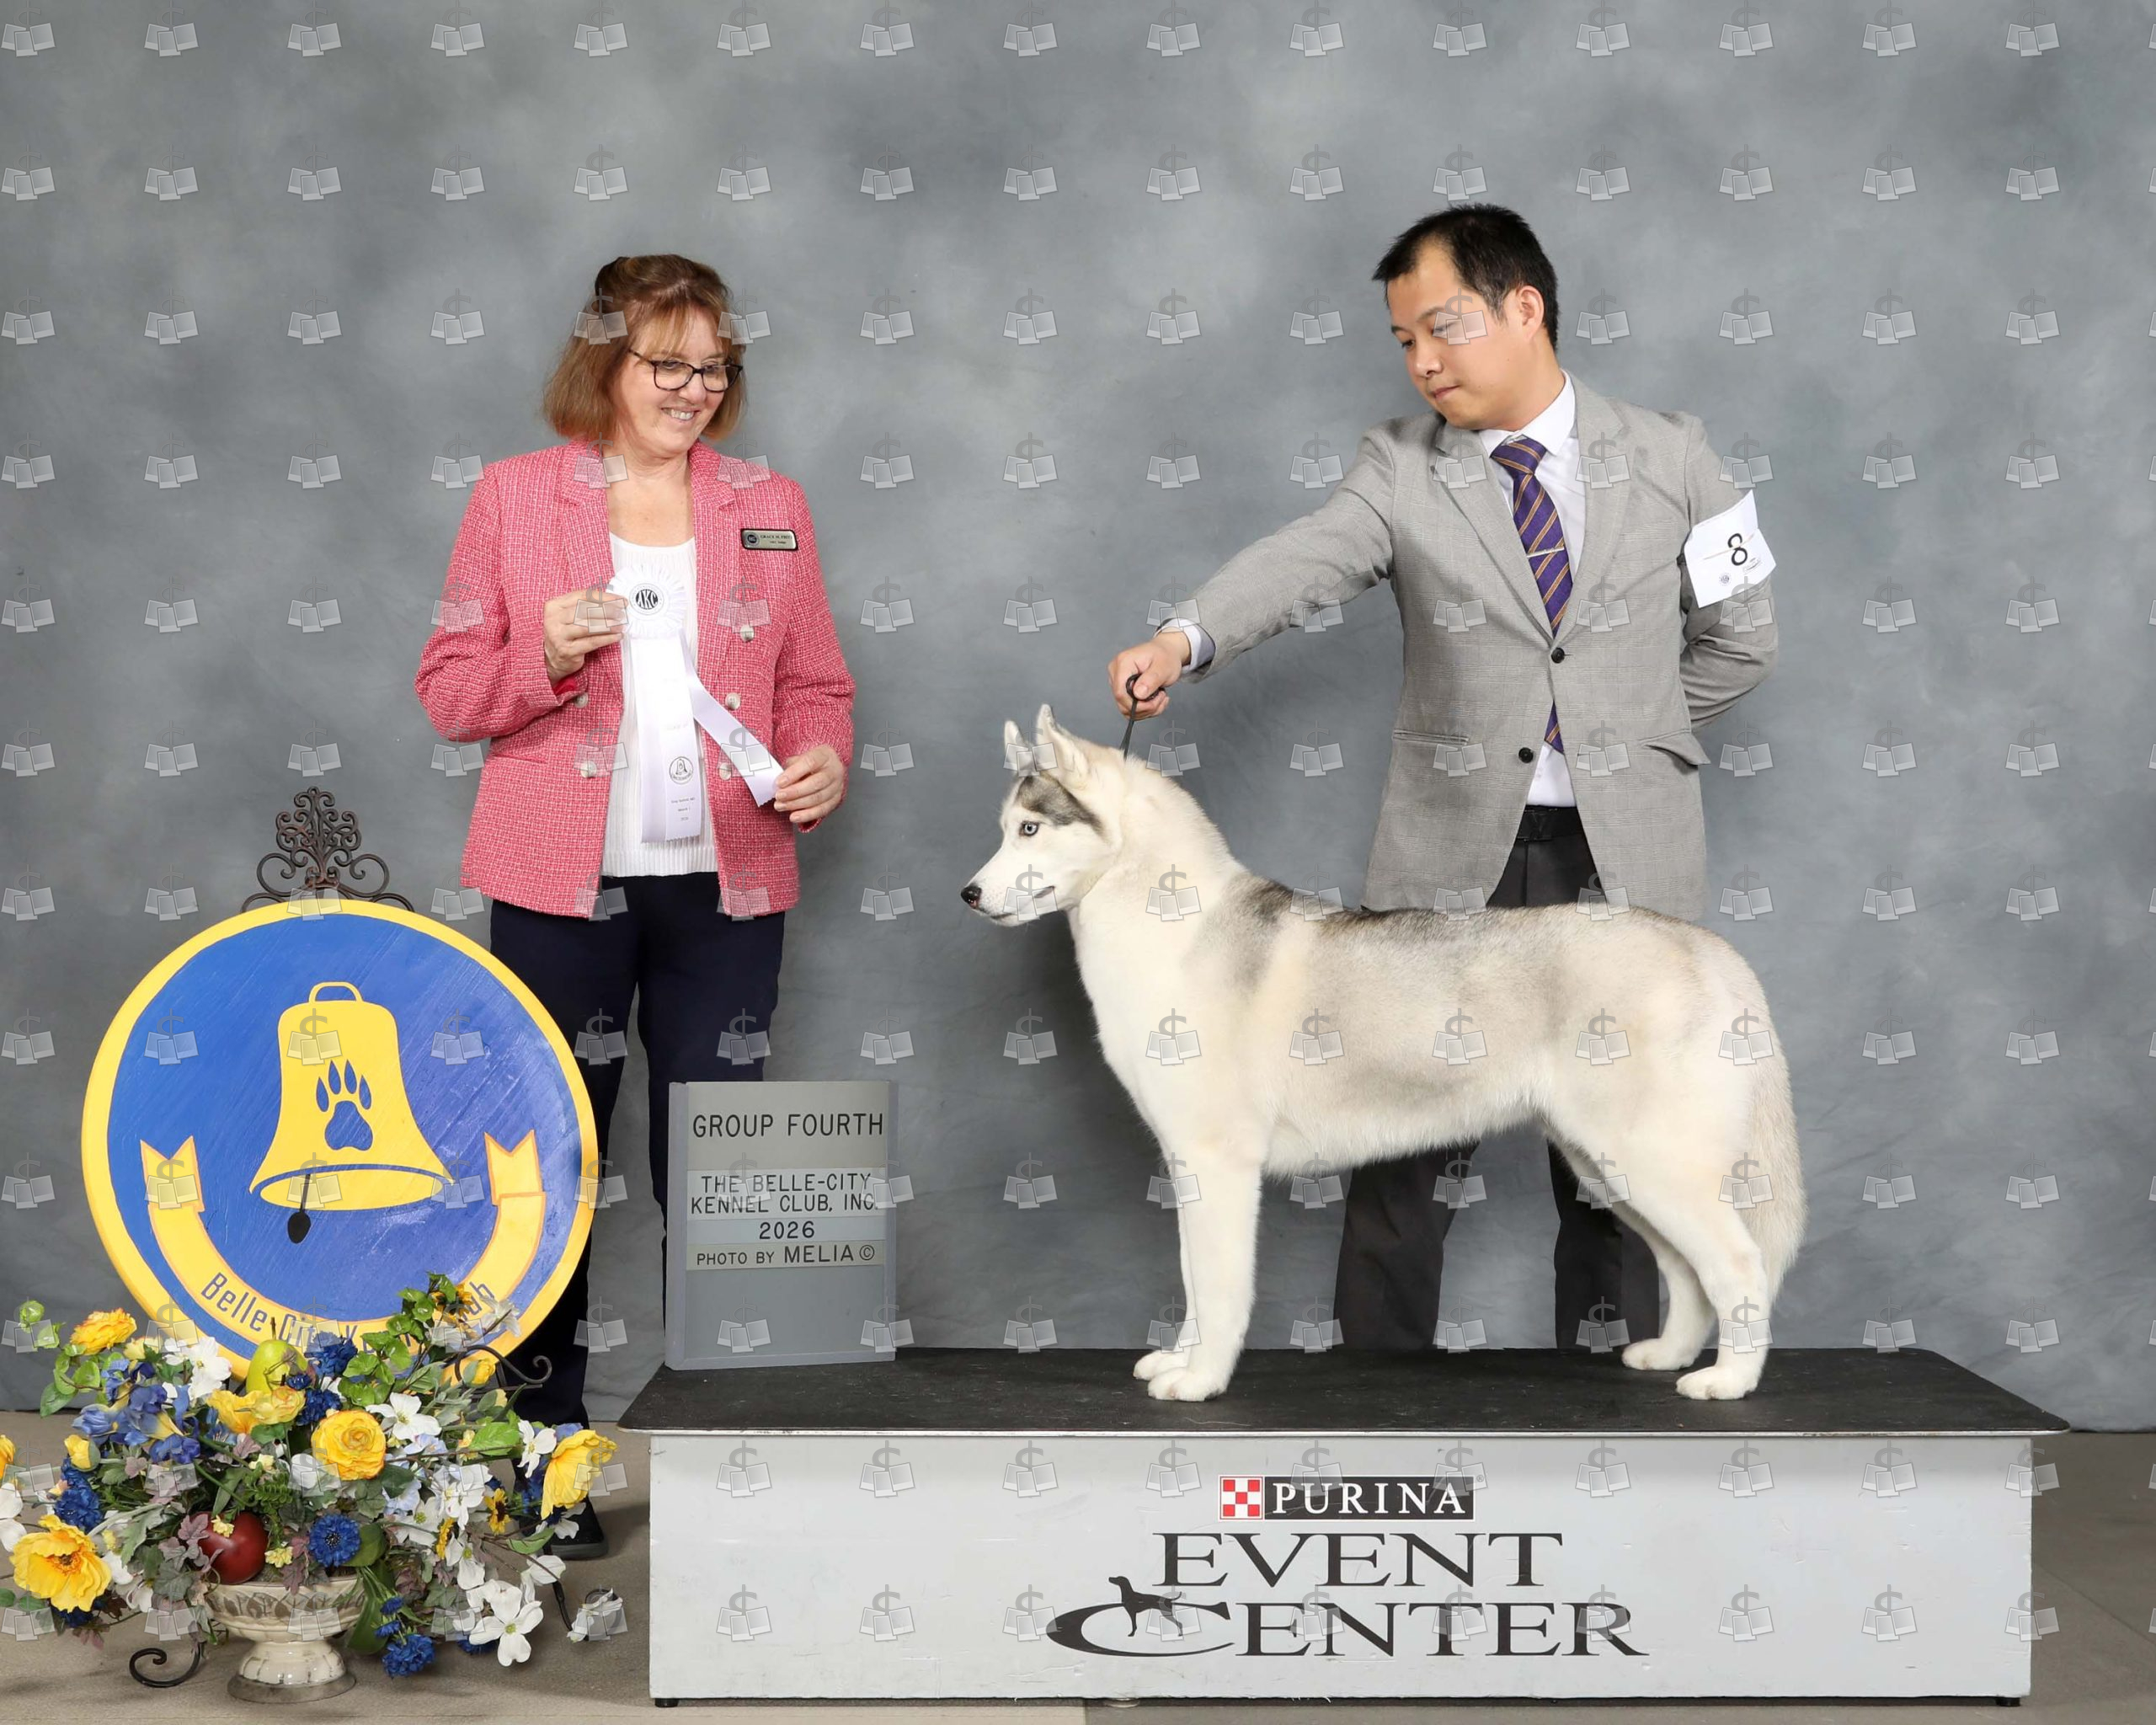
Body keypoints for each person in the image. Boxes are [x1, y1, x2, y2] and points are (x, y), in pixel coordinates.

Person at [1104, 204, 1777, 1362]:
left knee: (1617, 1151)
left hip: (1626, 860)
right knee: (1399, 1151)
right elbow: (1305, 560)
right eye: (1404, 339)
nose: (1422, 360)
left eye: (1444, 327)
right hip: (1449, 860)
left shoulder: (1678, 455)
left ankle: (1614, 1393)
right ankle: (1376, 1396)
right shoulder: (1399, 466)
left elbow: (1745, 635)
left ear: (1526, 307)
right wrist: (1184, 637)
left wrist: (1628, 739)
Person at [414, 254, 856, 1555]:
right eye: (668, 363)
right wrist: (541, 656)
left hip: (730, 889)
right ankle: (539, 1466)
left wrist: (825, 756)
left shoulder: (770, 503)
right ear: (603, 360)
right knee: (546, 1176)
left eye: (715, 366)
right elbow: (449, 692)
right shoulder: (514, 496)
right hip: (562, 894)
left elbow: (818, 686)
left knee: (722, 1180)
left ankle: (729, 1471)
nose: (694, 388)